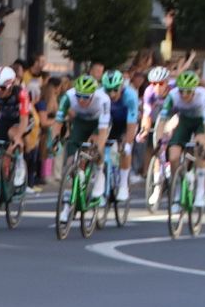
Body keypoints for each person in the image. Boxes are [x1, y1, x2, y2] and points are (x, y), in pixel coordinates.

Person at [50, 74, 112, 220]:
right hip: (80, 122)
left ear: (93, 95)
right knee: (71, 162)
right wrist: (55, 141)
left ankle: (99, 178)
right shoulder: (68, 97)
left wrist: (98, 148)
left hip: (98, 124)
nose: (81, 100)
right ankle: (68, 205)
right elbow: (58, 122)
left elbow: (103, 131)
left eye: (86, 97)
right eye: (79, 96)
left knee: (96, 149)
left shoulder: (103, 99)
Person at [158, 70, 205, 205]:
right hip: (183, 120)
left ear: (194, 90)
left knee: (200, 150)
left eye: (188, 92)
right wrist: (159, 140)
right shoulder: (172, 95)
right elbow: (162, 120)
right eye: (181, 91)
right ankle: (177, 188)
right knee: (173, 157)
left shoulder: (203, 96)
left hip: (200, 122)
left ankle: (201, 191)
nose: (184, 95)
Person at [0, 66, 35, 189]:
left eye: (3, 88)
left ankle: (19, 162)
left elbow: (24, 119)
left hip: (23, 119)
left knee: (13, 135)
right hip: (6, 119)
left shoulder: (21, 93)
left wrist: (16, 141)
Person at [101, 70, 141, 202]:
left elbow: (131, 125)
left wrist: (127, 142)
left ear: (121, 87)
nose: (111, 94)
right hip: (109, 122)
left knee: (125, 149)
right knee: (100, 147)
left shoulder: (130, 96)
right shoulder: (101, 94)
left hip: (126, 123)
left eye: (115, 90)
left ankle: (123, 184)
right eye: (108, 90)